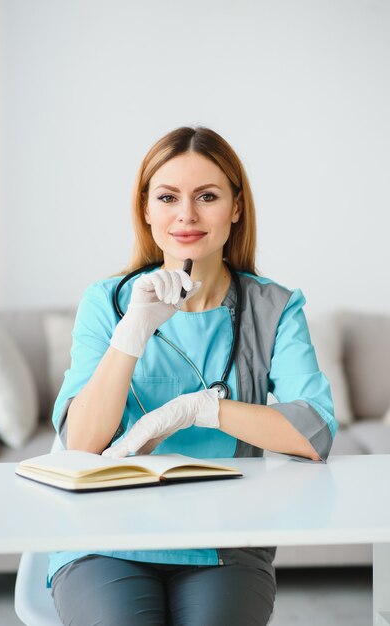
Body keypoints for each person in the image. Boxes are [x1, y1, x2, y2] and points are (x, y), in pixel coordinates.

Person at [49, 126, 338, 626]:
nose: (186, 214)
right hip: (104, 540)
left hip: (226, 545)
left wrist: (204, 409)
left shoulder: (274, 307)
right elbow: (83, 441)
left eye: (207, 196)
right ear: (146, 209)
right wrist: (131, 333)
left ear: (236, 207)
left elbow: (313, 434)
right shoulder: (108, 303)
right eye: (167, 197)